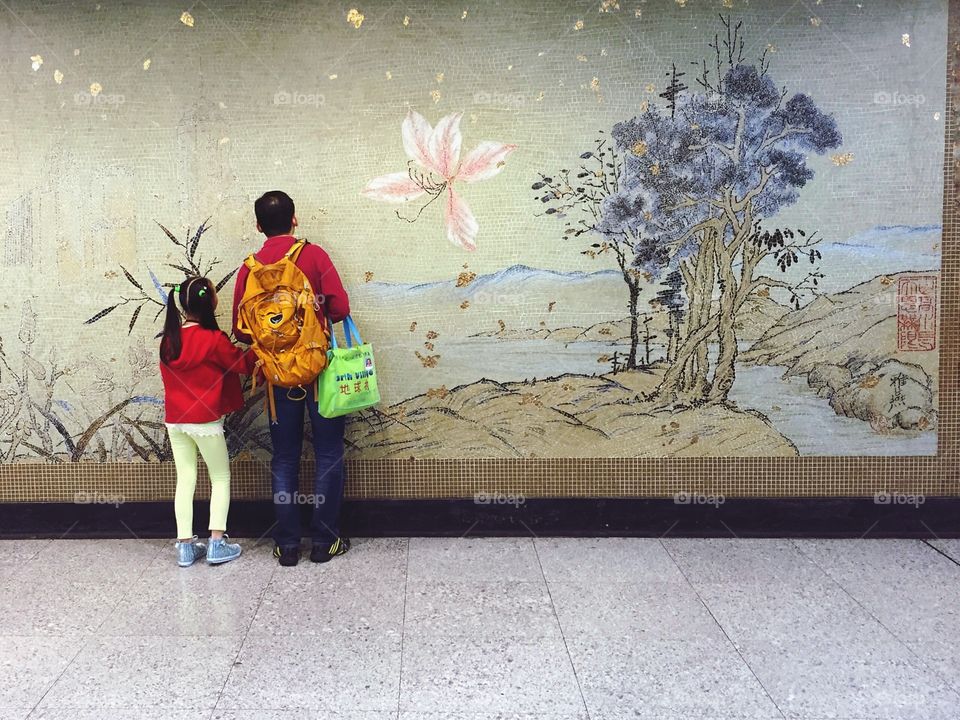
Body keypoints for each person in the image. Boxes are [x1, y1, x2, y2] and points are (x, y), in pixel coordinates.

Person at [232, 190, 352, 567]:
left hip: (277, 379)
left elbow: (241, 331)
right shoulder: (313, 256)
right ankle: (325, 542)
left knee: (284, 458)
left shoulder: (249, 269)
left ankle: (286, 545)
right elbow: (340, 308)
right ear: (294, 219)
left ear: (258, 226)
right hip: (318, 373)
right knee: (328, 453)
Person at [160, 275, 257, 567]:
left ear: (182, 303)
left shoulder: (169, 340)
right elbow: (243, 365)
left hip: (175, 421)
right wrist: (264, 342)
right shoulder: (213, 341)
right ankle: (216, 543)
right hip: (205, 421)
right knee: (220, 478)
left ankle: (185, 547)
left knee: (185, 478)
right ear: (212, 302)